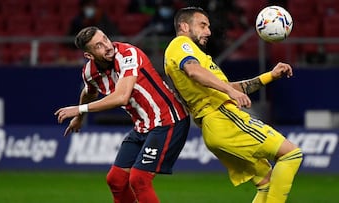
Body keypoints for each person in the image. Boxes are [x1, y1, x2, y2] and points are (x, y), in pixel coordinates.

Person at [164, 7, 302, 203]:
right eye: (203, 25)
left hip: (214, 127)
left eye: (209, 27)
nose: (208, 32)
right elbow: (194, 71)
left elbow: (229, 86)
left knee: (266, 182)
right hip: (223, 117)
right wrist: (230, 92)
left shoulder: (198, 57)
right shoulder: (181, 44)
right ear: (184, 26)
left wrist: (269, 76)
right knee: (291, 154)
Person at [54, 26, 190, 203]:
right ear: (89, 56)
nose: (107, 45)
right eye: (98, 46)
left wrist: (80, 110)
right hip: (143, 126)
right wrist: (79, 118)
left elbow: (121, 97)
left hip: (168, 120)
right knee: (116, 180)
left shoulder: (127, 54)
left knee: (139, 179)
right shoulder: (89, 72)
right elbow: (89, 92)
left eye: (105, 38)